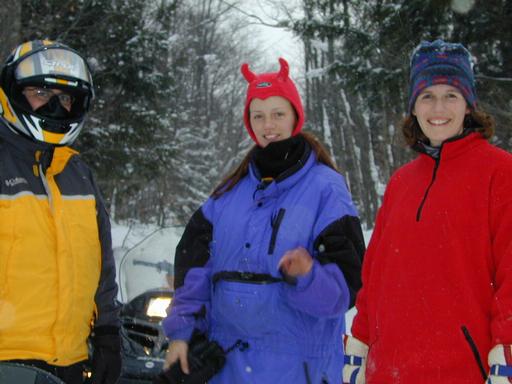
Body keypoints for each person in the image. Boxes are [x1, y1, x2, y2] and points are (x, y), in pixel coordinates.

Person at [161, 58, 365, 383]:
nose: (267, 124)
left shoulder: (326, 188)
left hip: (298, 370)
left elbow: (346, 289)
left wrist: (308, 276)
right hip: (228, 369)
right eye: (258, 115)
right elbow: (194, 268)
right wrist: (182, 332)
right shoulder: (228, 193)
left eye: (277, 114)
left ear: (295, 116)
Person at [343, 39, 512, 383]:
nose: (439, 108)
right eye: (427, 96)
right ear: (414, 107)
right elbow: (375, 275)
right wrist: (360, 341)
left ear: (468, 105)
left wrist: (506, 349)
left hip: (466, 370)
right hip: (390, 370)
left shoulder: (500, 172)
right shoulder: (402, 182)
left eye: (451, 94)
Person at [0, 40, 121, 384]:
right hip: (8, 362)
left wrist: (109, 332)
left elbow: (101, 267)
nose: (55, 105)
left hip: (70, 363)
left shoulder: (78, 173)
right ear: (15, 92)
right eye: (40, 92)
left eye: (65, 97)